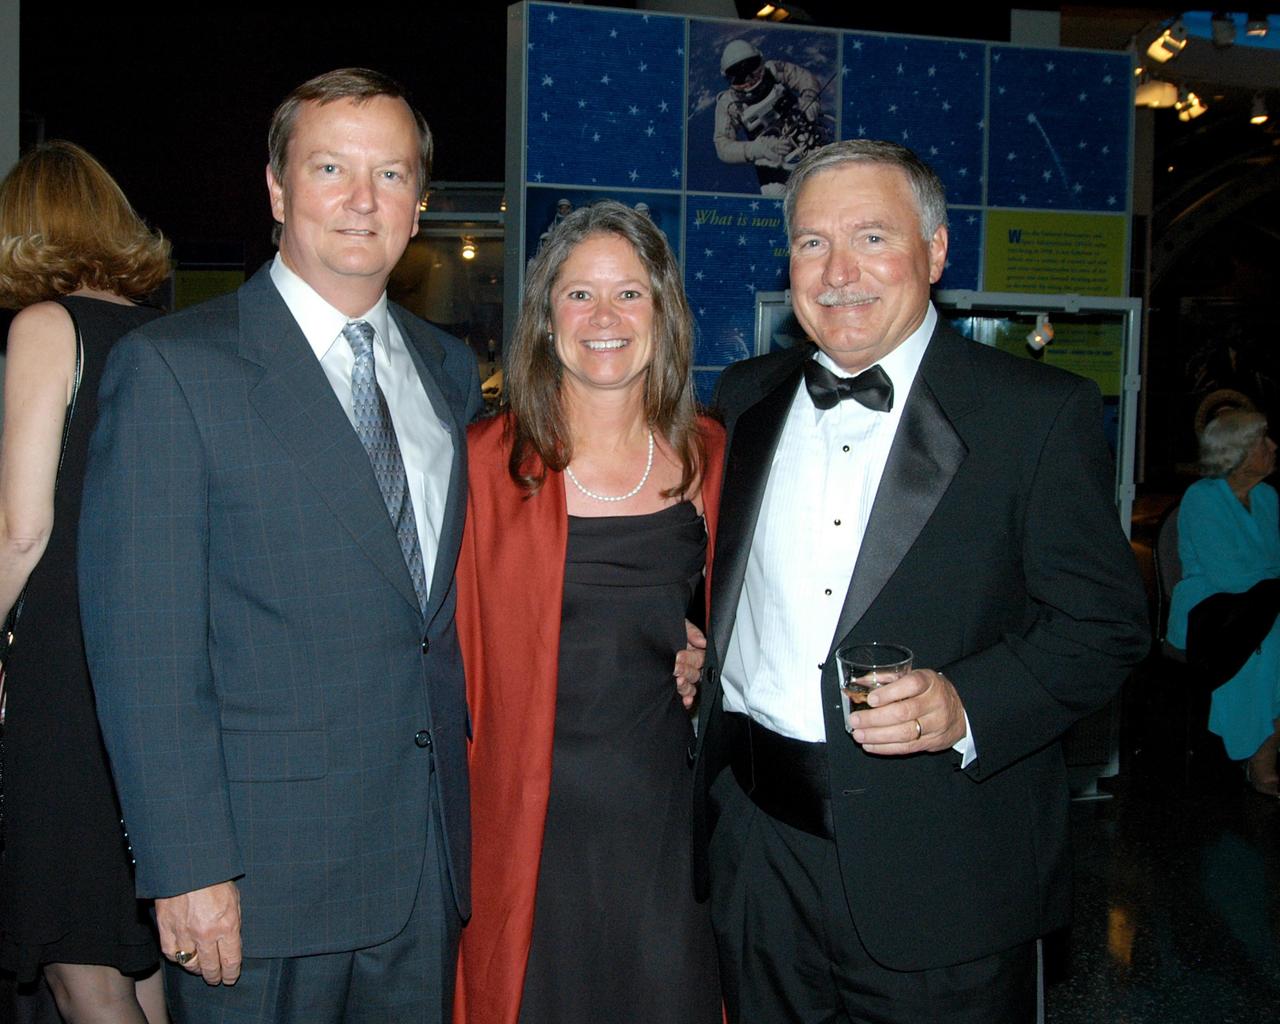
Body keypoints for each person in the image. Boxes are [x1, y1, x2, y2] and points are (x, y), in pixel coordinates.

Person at [691, 140, 1149, 1023]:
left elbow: (1106, 624)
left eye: (872, 237)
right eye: (812, 243)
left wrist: (967, 703)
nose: (838, 272)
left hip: (947, 867)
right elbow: (722, 572)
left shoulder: (1034, 414)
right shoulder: (745, 395)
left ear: (935, 253)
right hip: (757, 849)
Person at [78, 68, 480, 1024]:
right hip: (260, 881)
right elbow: (143, 653)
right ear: (276, 188)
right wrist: (187, 867)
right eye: (330, 167)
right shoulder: (175, 370)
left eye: (390, 175)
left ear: (418, 204)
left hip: (424, 865)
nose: (359, 199)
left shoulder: (447, 368)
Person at [454, 200, 723, 1024]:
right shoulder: (484, 466)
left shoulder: (714, 454)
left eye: (629, 294)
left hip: (664, 827)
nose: (604, 318)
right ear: (544, 318)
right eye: (579, 295)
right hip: (525, 824)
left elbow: (752, 618)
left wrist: (713, 655)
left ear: (664, 312)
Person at [0, 141, 170, 1024]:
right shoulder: (166, 332)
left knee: (79, 967)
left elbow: (21, 529)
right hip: (150, 670)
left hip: (65, 673)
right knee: (134, 956)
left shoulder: (44, 326)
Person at [1168, 409, 1280, 795]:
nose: (1273, 446)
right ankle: (1264, 750)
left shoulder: (1268, 498)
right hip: (1211, 612)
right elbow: (1229, 576)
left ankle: (1265, 741)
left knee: (1272, 627)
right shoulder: (1202, 498)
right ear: (1238, 451)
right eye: (1263, 440)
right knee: (1272, 632)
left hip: (1261, 607)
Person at [713, 39, 828, 196]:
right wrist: (759, 148)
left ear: (761, 62)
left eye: (751, 68)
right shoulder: (729, 104)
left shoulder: (773, 70)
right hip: (772, 161)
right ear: (729, 79)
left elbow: (805, 79)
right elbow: (723, 146)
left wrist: (810, 99)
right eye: (739, 76)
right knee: (775, 195)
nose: (748, 79)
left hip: (806, 137)